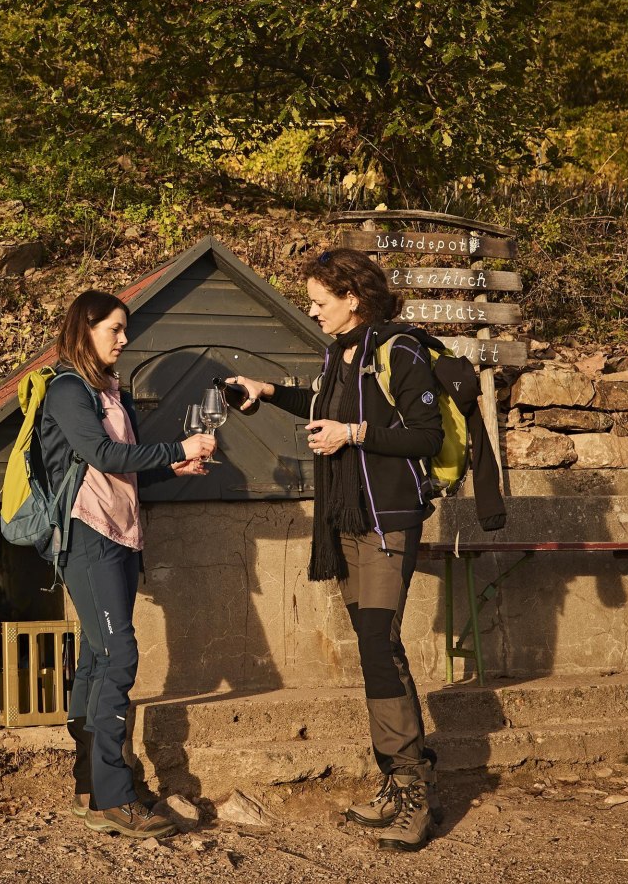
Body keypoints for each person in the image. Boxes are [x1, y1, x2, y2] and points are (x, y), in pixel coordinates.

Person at [225, 247, 444, 852]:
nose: (313, 310)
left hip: (386, 520)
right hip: (346, 519)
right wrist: (266, 390)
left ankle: (413, 792)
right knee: (375, 647)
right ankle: (396, 779)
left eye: (320, 301)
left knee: (379, 644)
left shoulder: (398, 351)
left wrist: (353, 434)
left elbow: (427, 435)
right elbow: (322, 403)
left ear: (353, 297)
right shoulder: (340, 355)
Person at [40, 289, 215, 839]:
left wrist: (172, 468)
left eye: (124, 329)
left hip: (119, 534)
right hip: (87, 536)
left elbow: (124, 470)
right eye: (114, 329)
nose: (123, 339)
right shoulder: (68, 388)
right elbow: (103, 456)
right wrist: (176, 448)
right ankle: (113, 798)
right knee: (120, 655)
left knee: (97, 656)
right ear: (84, 329)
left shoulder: (109, 392)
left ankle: (89, 787)